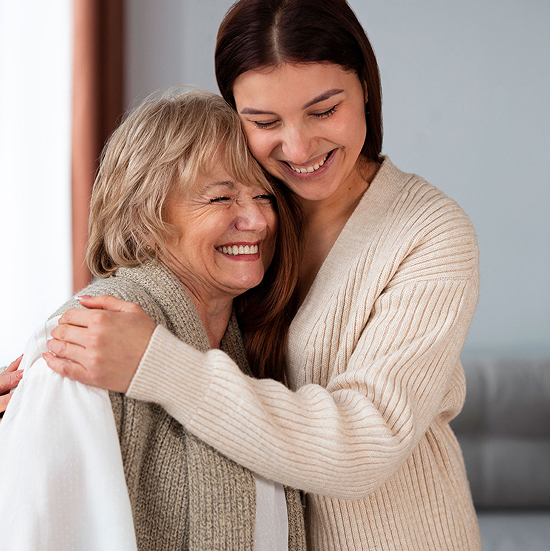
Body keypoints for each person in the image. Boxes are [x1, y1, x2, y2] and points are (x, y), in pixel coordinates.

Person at [42, 1, 482, 549]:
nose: (297, 148)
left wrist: (160, 365)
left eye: (323, 110)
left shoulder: (430, 233)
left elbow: (365, 444)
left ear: (366, 87)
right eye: (265, 122)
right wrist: (44, 385)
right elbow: (146, 299)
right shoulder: (250, 218)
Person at [0, 89, 306, 551]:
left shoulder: (243, 351)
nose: (258, 220)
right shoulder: (83, 346)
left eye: (264, 195)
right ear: (145, 219)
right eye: (221, 197)